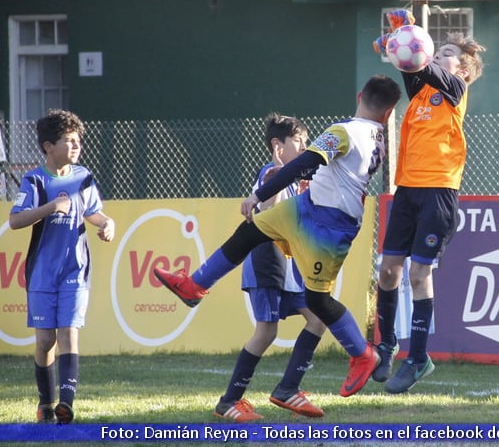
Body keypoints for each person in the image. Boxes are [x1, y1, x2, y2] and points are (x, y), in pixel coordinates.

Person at [154, 75, 402, 400]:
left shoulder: (343, 132)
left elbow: (303, 164)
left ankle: (362, 354)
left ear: (359, 96)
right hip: (310, 208)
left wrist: (259, 194)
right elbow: (323, 169)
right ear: (387, 114)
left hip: (328, 225)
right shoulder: (379, 137)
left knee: (318, 302)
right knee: (250, 232)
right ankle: (194, 285)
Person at [372, 9, 486, 394]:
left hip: (439, 192)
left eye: (446, 53)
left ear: (464, 71)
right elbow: (410, 64)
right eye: (436, 52)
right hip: (406, 190)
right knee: (388, 271)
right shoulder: (421, 92)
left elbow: (418, 60)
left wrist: (404, 33)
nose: (438, 56)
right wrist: (394, 41)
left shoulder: (456, 90)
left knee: (420, 276)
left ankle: (418, 357)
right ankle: (385, 345)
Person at [213, 113, 327, 422]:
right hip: (267, 263)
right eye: (298, 141)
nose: (304, 146)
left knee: (317, 319)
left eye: (306, 141)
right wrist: (279, 176)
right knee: (266, 332)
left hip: (290, 267)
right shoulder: (270, 173)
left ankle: (289, 388)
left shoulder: (295, 178)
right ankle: (229, 401)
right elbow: (262, 210)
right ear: (278, 146)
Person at [9, 109, 115, 424]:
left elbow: (94, 212)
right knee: (45, 341)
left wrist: (107, 223)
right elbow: (15, 221)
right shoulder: (34, 180)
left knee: (69, 334)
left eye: (77, 140)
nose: (75, 145)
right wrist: (50, 207)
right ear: (47, 147)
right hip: (42, 272)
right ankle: (46, 401)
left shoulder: (83, 176)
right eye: (68, 141)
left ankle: (65, 404)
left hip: (75, 269)